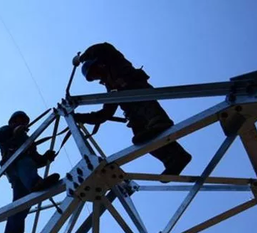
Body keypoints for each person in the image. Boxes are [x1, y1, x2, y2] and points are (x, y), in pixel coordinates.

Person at [74, 42, 192, 177]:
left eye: (94, 73)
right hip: (135, 116)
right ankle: (174, 159)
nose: (96, 77)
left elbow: (105, 47)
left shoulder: (115, 63)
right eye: (93, 77)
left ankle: (174, 150)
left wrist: (83, 57)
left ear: (98, 64)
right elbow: (105, 113)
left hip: (141, 98)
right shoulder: (111, 88)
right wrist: (80, 117)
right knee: (143, 141)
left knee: (155, 122)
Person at [0, 111, 60, 233]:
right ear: (12, 121)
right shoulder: (6, 130)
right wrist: (16, 131)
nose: (22, 123)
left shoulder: (27, 141)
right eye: (19, 120)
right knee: (26, 162)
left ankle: (13, 232)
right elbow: (0, 137)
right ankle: (35, 183)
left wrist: (46, 158)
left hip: (22, 173)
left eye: (23, 121)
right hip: (14, 164)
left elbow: (36, 160)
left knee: (22, 202)